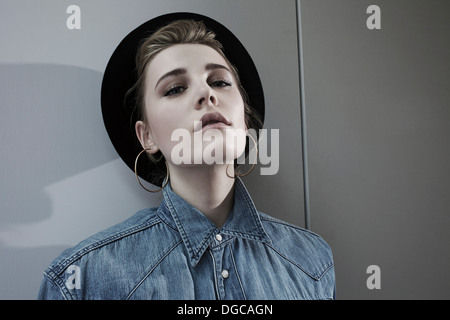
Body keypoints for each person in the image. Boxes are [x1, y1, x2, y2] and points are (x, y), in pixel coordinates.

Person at [38, 13, 335, 300]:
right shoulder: (81, 280)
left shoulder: (312, 261)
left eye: (219, 82)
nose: (207, 94)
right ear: (147, 136)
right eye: (175, 88)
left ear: (244, 119)